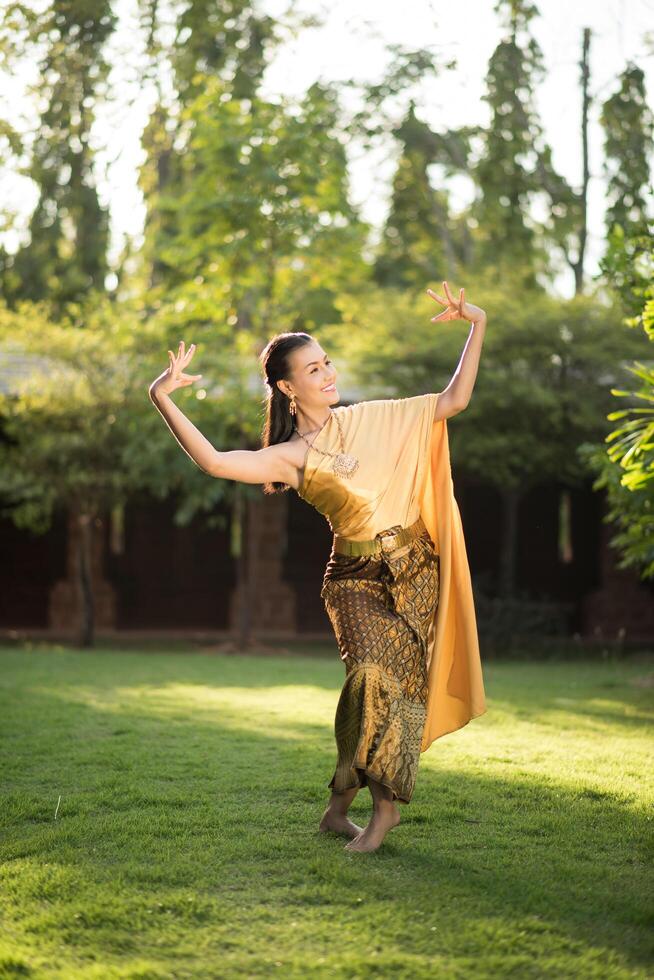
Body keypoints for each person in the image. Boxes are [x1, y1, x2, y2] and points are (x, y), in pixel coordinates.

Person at [148, 280, 487, 853]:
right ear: (286, 386)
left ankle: (337, 811)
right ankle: (384, 815)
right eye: (313, 369)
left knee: (396, 693)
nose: (328, 374)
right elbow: (212, 462)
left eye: (327, 362)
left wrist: (477, 323)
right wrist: (163, 395)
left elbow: (452, 401)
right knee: (370, 681)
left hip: (415, 571)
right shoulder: (289, 457)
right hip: (354, 582)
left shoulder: (377, 417)